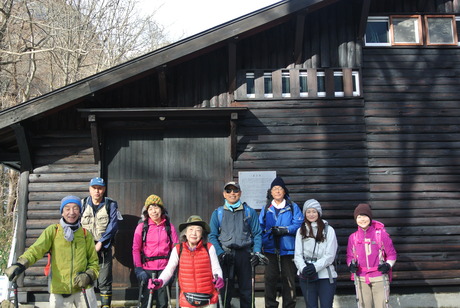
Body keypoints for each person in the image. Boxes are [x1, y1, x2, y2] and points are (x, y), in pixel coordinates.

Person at [5, 196, 99, 308]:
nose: (71, 212)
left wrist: (88, 275)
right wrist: (20, 264)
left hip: (84, 290)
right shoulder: (53, 231)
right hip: (59, 291)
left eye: (75, 208)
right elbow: (36, 250)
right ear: (62, 212)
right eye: (67, 209)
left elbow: (94, 262)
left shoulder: (85, 234)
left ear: (80, 212)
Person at [208, 181, 264, 308]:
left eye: (235, 190)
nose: (232, 193)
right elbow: (212, 236)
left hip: (244, 255)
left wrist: (256, 252)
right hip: (225, 255)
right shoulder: (218, 213)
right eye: (228, 191)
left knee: (246, 292)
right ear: (224, 194)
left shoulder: (250, 212)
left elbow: (257, 234)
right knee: (224, 291)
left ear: (240, 193)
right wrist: (220, 253)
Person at [151, 215, 224, 308]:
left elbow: (216, 268)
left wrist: (219, 278)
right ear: (185, 233)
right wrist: (160, 281)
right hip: (187, 300)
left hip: (209, 300)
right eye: (191, 229)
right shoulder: (178, 249)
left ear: (202, 234)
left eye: (198, 230)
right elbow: (169, 269)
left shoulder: (209, 248)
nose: (194, 233)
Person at [259, 176, 303, 308]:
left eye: (280, 189)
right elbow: (260, 227)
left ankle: (289, 305)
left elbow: (299, 224)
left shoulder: (293, 207)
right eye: (275, 189)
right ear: (271, 192)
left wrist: (285, 230)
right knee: (270, 279)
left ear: (284, 191)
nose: (277, 191)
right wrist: (266, 238)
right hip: (270, 249)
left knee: (288, 279)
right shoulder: (266, 207)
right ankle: (270, 305)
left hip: (288, 249)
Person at [132, 194, 179, 308]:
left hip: (164, 269)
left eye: (156, 207)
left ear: (162, 209)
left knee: (162, 303)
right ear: (147, 211)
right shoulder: (142, 227)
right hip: (147, 269)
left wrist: (173, 268)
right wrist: (138, 268)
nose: (154, 211)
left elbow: (176, 248)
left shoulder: (169, 227)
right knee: (146, 302)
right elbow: (136, 249)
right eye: (150, 208)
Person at [346, 203, 397, 308]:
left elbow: (392, 254)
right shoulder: (353, 238)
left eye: (365, 216)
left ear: (370, 217)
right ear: (355, 219)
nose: (362, 219)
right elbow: (350, 256)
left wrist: (388, 265)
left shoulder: (381, 235)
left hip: (379, 277)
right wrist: (350, 265)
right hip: (361, 278)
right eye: (359, 217)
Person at [81, 177, 120, 308]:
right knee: (86, 280)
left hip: (103, 249)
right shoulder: (82, 204)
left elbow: (113, 225)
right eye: (94, 188)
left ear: (104, 190)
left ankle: (105, 306)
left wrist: (101, 242)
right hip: (85, 250)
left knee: (104, 281)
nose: (97, 191)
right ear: (90, 189)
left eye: (100, 188)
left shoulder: (111, 204)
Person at [294, 199, 338, 308]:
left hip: (326, 276)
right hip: (306, 275)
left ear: (318, 213)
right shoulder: (301, 231)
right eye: (308, 212)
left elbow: (330, 255)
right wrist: (303, 268)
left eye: (314, 211)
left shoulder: (329, 230)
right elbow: (298, 254)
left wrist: (315, 267)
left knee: (326, 305)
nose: (311, 214)